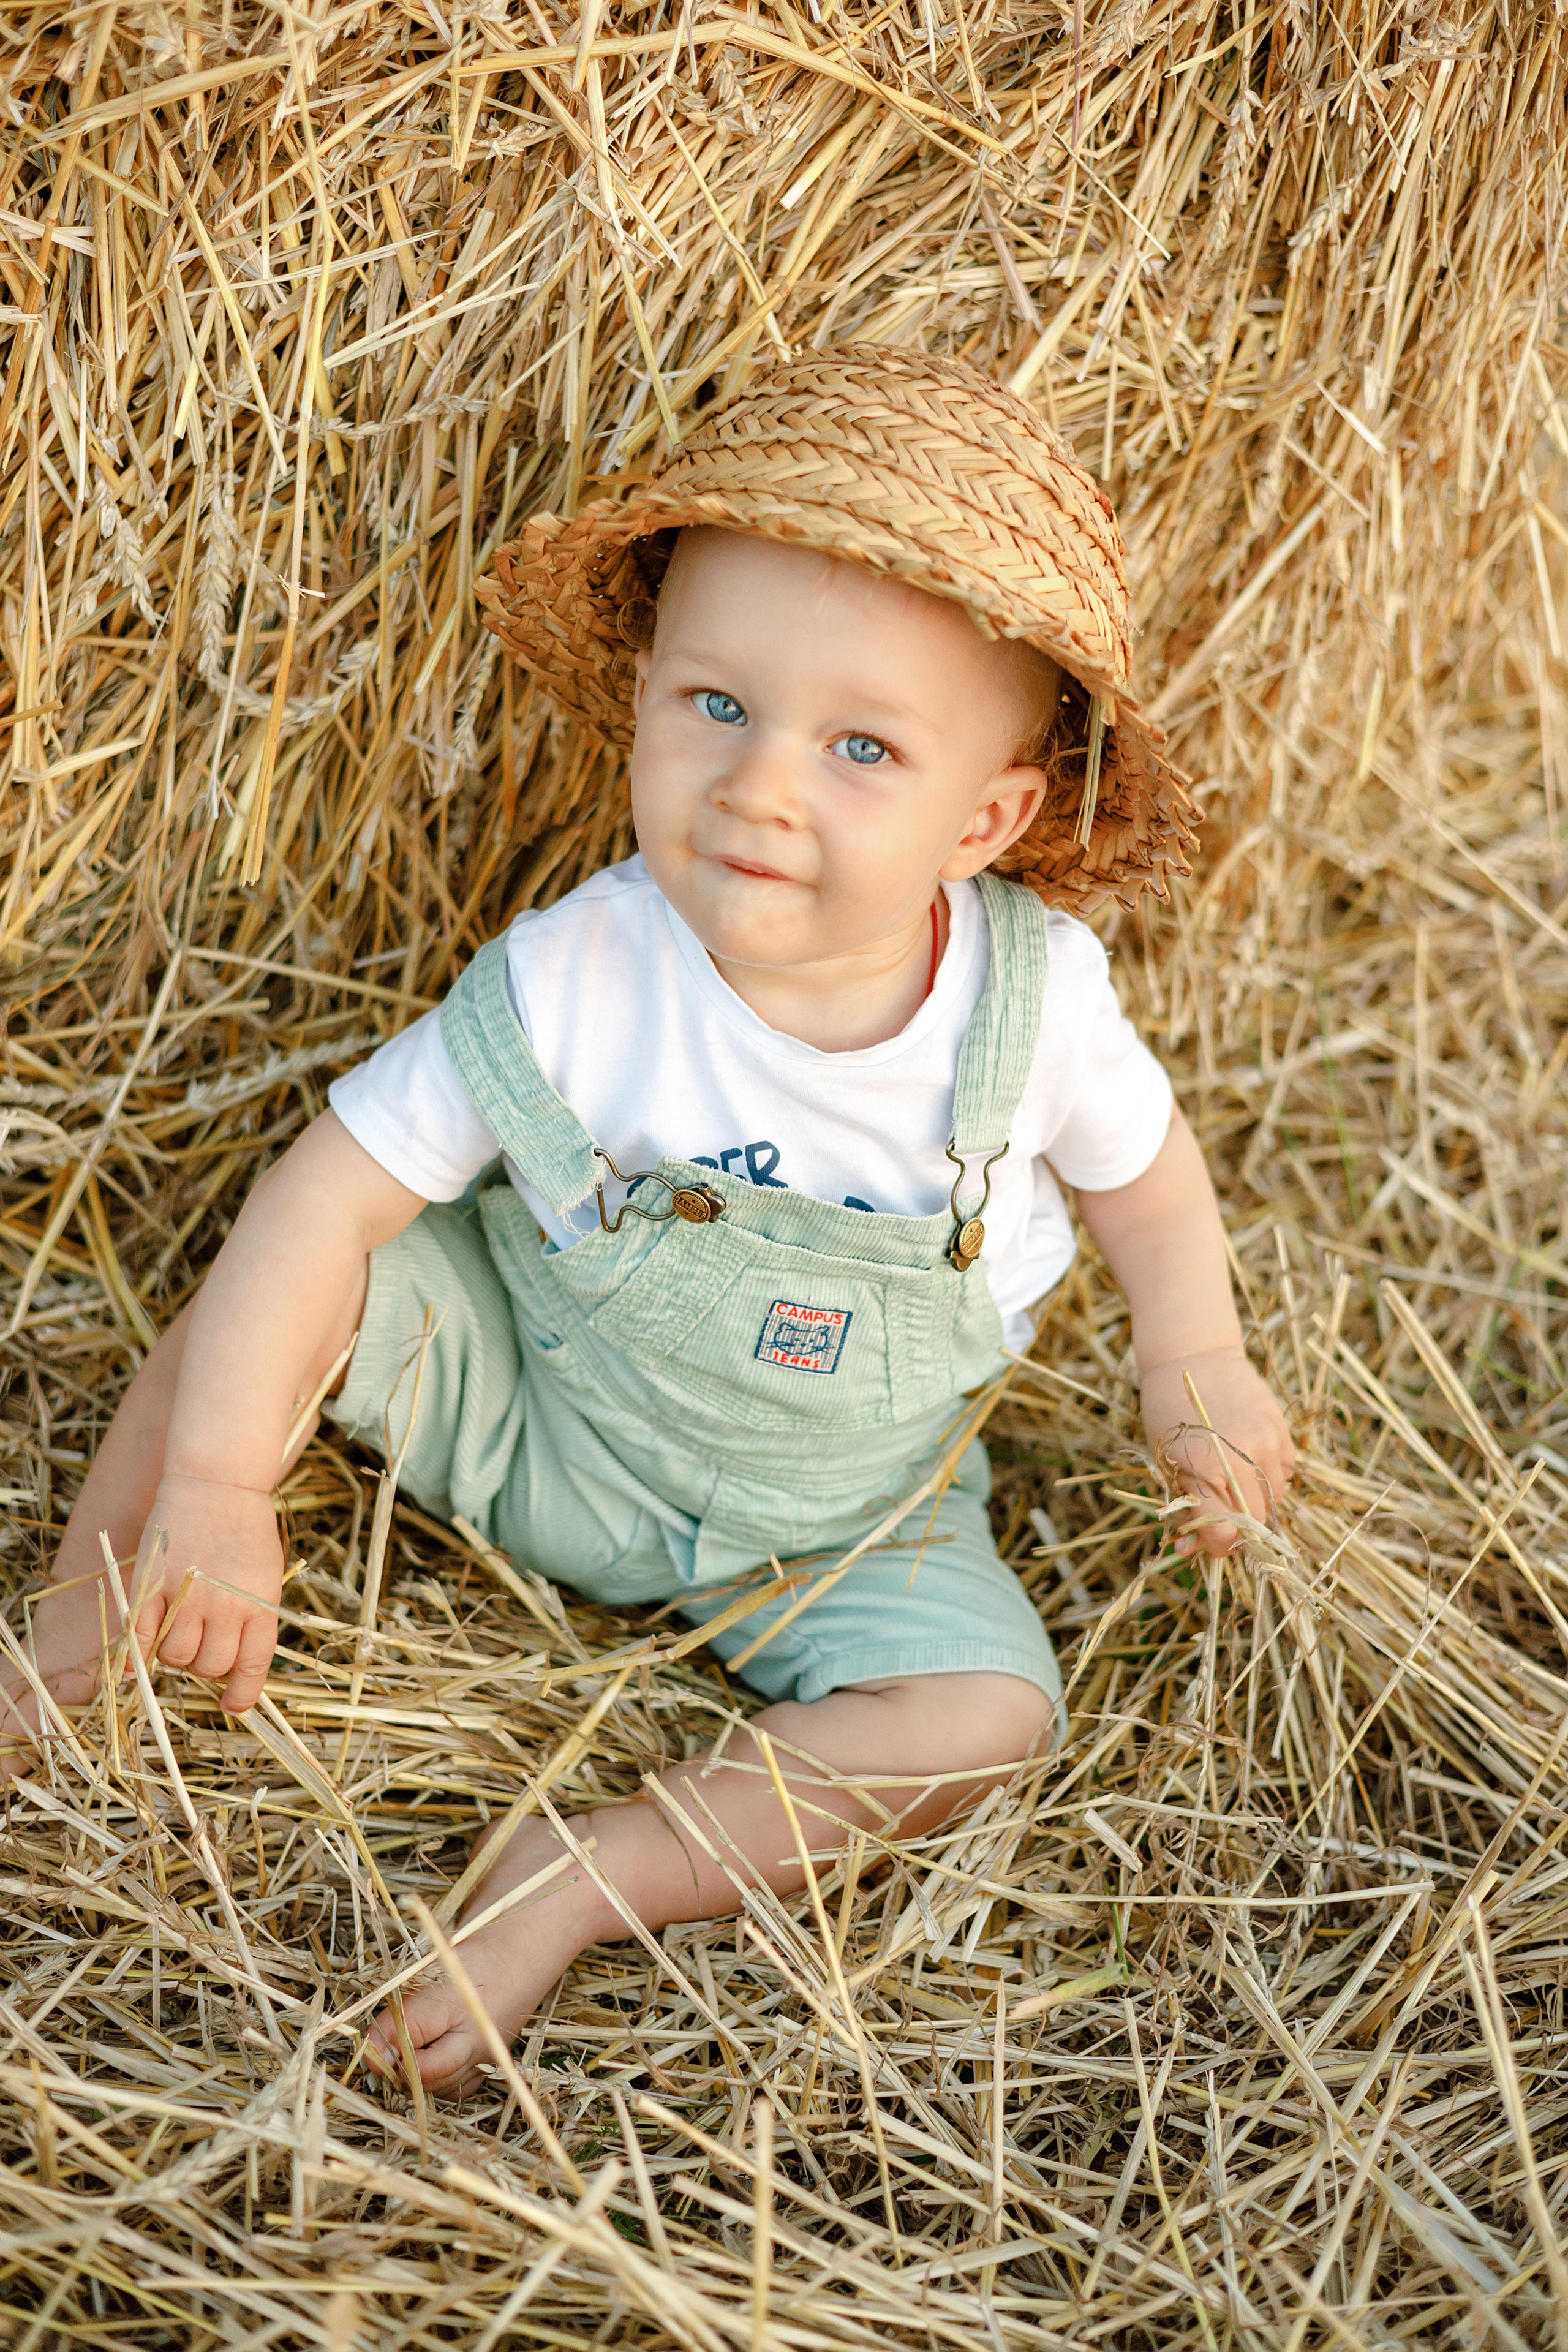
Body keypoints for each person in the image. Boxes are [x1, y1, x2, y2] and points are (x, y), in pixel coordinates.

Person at [5, 349, 1295, 2094]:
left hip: (842, 1523)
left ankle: (598, 1872)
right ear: (644, 700)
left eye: (860, 746)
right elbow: (328, 1194)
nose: (764, 784)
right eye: (715, 706)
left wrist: (1194, 1352)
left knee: (991, 1719)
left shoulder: (1034, 1003)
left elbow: (1148, 1184)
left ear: (982, 821)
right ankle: (86, 1621)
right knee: (268, 1312)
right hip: (541, 1408)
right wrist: (229, 1484)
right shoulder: (577, 976)